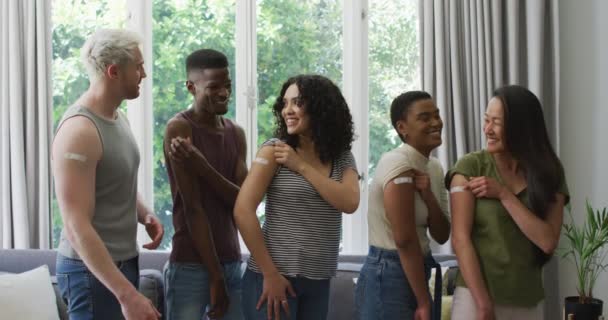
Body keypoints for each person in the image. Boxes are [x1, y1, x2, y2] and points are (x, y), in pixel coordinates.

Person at [52, 29, 164, 320]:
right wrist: (127, 295)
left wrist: (144, 214)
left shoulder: (117, 117)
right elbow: (76, 225)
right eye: (138, 67)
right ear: (114, 71)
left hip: (122, 262)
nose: (145, 74)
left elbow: (115, 178)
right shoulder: (80, 131)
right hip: (89, 272)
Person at [234, 74, 360, 320]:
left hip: (319, 281)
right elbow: (242, 210)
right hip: (273, 279)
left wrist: (301, 166)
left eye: (297, 103)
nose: (287, 110)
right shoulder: (274, 151)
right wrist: (269, 274)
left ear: (321, 107)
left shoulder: (342, 157)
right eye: (285, 103)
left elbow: (349, 202)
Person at [447, 85, 569, 320]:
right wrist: (483, 305)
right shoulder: (471, 166)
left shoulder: (549, 173)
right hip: (475, 300)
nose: (487, 130)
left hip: (528, 301)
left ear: (521, 128)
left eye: (497, 122)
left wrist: (504, 194)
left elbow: (547, 241)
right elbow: (460, 239)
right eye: (486, 120)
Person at [163, 49, 248, 320]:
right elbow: (193, 209)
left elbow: (243, 202)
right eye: (214, 87)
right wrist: (215, 278)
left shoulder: (236, 133)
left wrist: (202, 167)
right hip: (191, 265)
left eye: (228, 86)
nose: (224, 93)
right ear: (191, 87)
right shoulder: (179, 129)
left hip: (232, 261)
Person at [355, 91, 451, 320]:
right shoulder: (397, 162)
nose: (436, 122)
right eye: (425, 118)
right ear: (402, 127)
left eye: (436, 115)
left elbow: (442, 234)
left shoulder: (435, 167)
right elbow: (404, 239)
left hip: (420, 266)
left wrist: (427, 195)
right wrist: (423, 300)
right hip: (388, 273)